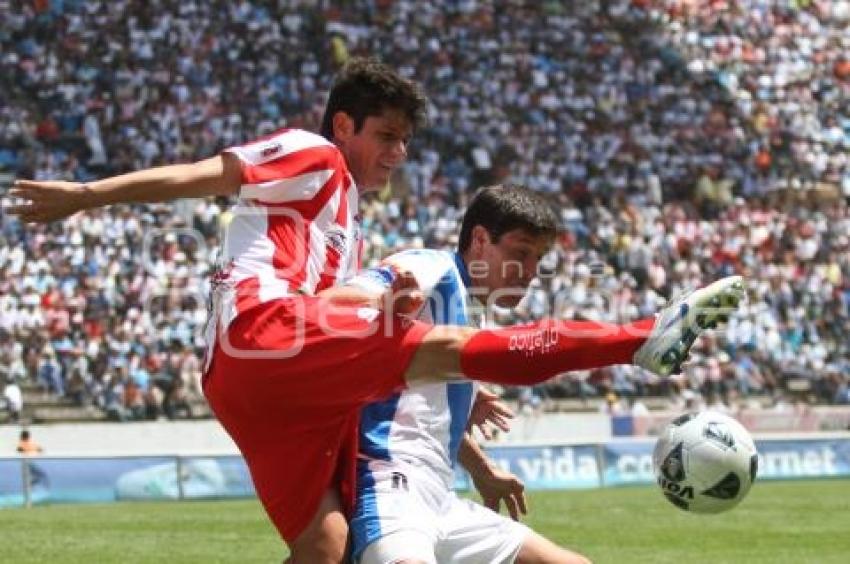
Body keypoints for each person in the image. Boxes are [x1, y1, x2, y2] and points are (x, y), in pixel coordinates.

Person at [9, 58, 745, 563]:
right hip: (261, 336)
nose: (397, 153)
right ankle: (641, 337)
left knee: (326, 546)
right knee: (453, 346)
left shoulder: (350, 220)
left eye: (404, 140)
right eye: (385, 135)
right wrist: (86, 196)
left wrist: (428, 384)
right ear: (343, 127)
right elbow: (212, 175)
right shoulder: (315, 157)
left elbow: (341, 301)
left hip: (266, 393)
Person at [348, 185, 591, 563]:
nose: (530, 272)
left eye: (538, 258)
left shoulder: (473, 311)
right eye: (520, 253)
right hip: (388, 485)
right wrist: (375, 301)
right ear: (480, 240)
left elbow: (421, 409)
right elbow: (350, 298)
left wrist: (482, 470)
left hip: (440, 498)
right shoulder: (434, 268)